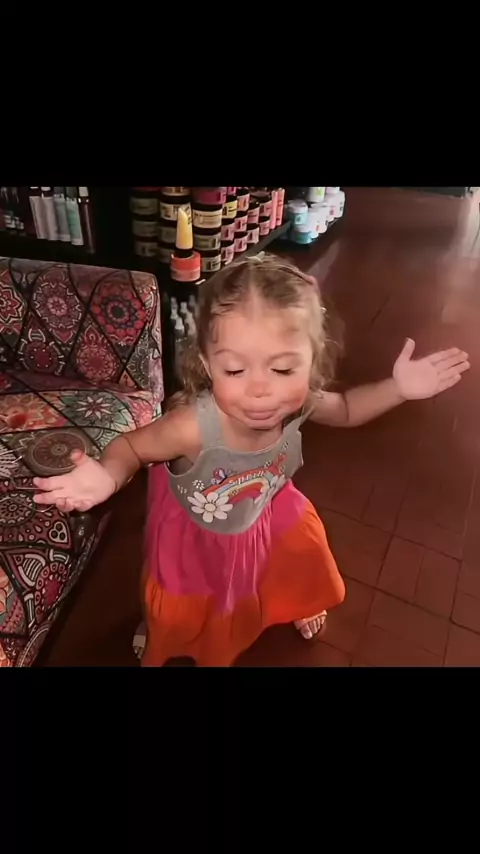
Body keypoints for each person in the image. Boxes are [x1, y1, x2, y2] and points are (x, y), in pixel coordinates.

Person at [33, 255, 470, 666]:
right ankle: (158, 626)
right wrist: (107, 476)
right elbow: (131, 448)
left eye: (282, 369)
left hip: (268, 509)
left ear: (313, 361)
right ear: (207, 364)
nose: (261, 391)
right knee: (176, 601)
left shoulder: (302, 400)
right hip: (198, 532)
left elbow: (348, 409)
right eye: (235, 370)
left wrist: (398, 389)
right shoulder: (191, 427)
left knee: (299, 558)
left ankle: (294, 601)